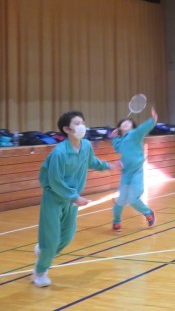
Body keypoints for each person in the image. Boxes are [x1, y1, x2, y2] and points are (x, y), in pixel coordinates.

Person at [33, 110, 122, 288]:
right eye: (77, 123)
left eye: (82, 122)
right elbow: (55, 181)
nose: (82, 126)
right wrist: (75, 197)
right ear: (67, 129)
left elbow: (93, 162)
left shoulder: (86, 146)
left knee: (66, 237)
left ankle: (43, 252)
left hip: (72, 200)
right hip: (54, 198)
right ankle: (40, 271)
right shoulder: (59, 153)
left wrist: (110, 166)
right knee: (51, 239)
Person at [110, 107, 158, 232]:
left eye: (128, 122)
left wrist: (152, 121)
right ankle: (116, 221)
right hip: (126, 173)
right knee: (121, 200)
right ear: (120, 128)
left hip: (137, 172)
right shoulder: (121, 141)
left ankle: (148, 213)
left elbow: (142, 129)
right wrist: (114, 137)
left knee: (132, 199)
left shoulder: (135, 134)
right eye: (123, 123)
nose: (125, 123)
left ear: (132, 126)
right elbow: (117, 147)